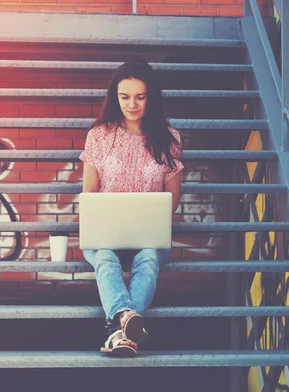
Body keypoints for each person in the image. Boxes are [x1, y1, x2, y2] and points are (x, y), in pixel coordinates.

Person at [79, 60, 184, 357]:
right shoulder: (99, 135)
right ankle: (126, 323)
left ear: (151, 97)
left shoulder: (169, 138)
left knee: (149, 257)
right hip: (104, 235)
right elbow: (89, 194)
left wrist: (150, 219)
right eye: (124, 97)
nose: (132, 104)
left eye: (140, 96)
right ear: (115, 97)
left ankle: (117, 330)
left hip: (148, 236)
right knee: (105, 257)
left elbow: (172, 197)